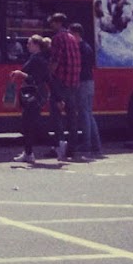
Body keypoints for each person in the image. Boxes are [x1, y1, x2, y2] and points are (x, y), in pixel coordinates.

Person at [46, 13, 81, 159]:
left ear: (58, 22)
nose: (50, 25)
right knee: (72, 117)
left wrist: (48, 73)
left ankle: (59, 146)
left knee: (56, 116)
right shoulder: (72, 38)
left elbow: (55, 60)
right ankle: (72, 148)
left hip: (60, 82)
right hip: (73, 82)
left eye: (52, 22)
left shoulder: (58, 38)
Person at [11, 35, 51, 162]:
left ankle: (57, 144)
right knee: (29, 123)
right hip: (36, 95)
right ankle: (29, 153)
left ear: (36, 45)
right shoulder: (38, 58)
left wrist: (20, 74)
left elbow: (35, 79)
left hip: (34, 95)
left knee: (29, 123)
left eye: (29, 43)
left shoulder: (37, 60)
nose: (27, 45)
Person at [75, 30, 103, 158]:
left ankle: (87, 144)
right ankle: (96, 145)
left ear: (76, 34)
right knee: (89, 113)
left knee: (84, 113)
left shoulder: (79, 48)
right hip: (90, 81)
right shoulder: (88, 47)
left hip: (83, 82)